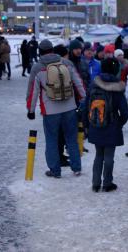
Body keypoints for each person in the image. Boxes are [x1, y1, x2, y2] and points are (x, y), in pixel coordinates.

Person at [26, 39, 86, 178]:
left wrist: (31, 110)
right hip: (70, 107)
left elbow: (33, 92)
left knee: (52, 139)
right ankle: (76, 168)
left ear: (39, 51)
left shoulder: (37, 67)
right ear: (52, 49)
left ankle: (55, 170)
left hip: (50, 111)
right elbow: (79, 83)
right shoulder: (66, 63)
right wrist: (84, 99)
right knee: (71, 138)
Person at [88, 57, 128, 192]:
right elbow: (124, 112)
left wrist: (89, 124)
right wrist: (119, 123)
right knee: (109, 157)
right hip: (111, 126)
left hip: (95, 125)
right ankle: (107, 184)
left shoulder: (94, 85)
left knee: (98, 155)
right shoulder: (117, 88)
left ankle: (95, 184)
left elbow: (85, 106)